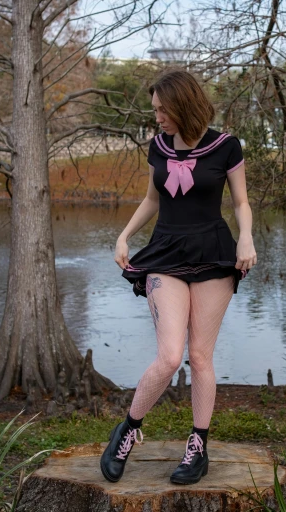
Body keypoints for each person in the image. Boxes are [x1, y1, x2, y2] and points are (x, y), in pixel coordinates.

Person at [100, 69, 257, 485]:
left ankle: (197, 449)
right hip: (166, 253)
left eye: (162, 110)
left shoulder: (226, 146)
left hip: (214, 255)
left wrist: (247, 240)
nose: (157, 118)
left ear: (182, 105)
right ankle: (127, 432)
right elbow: (153, 198)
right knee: (170, 356)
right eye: (154, 110)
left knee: (201, 357)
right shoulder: (158, 147)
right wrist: (123, 235)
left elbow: (241, 202)